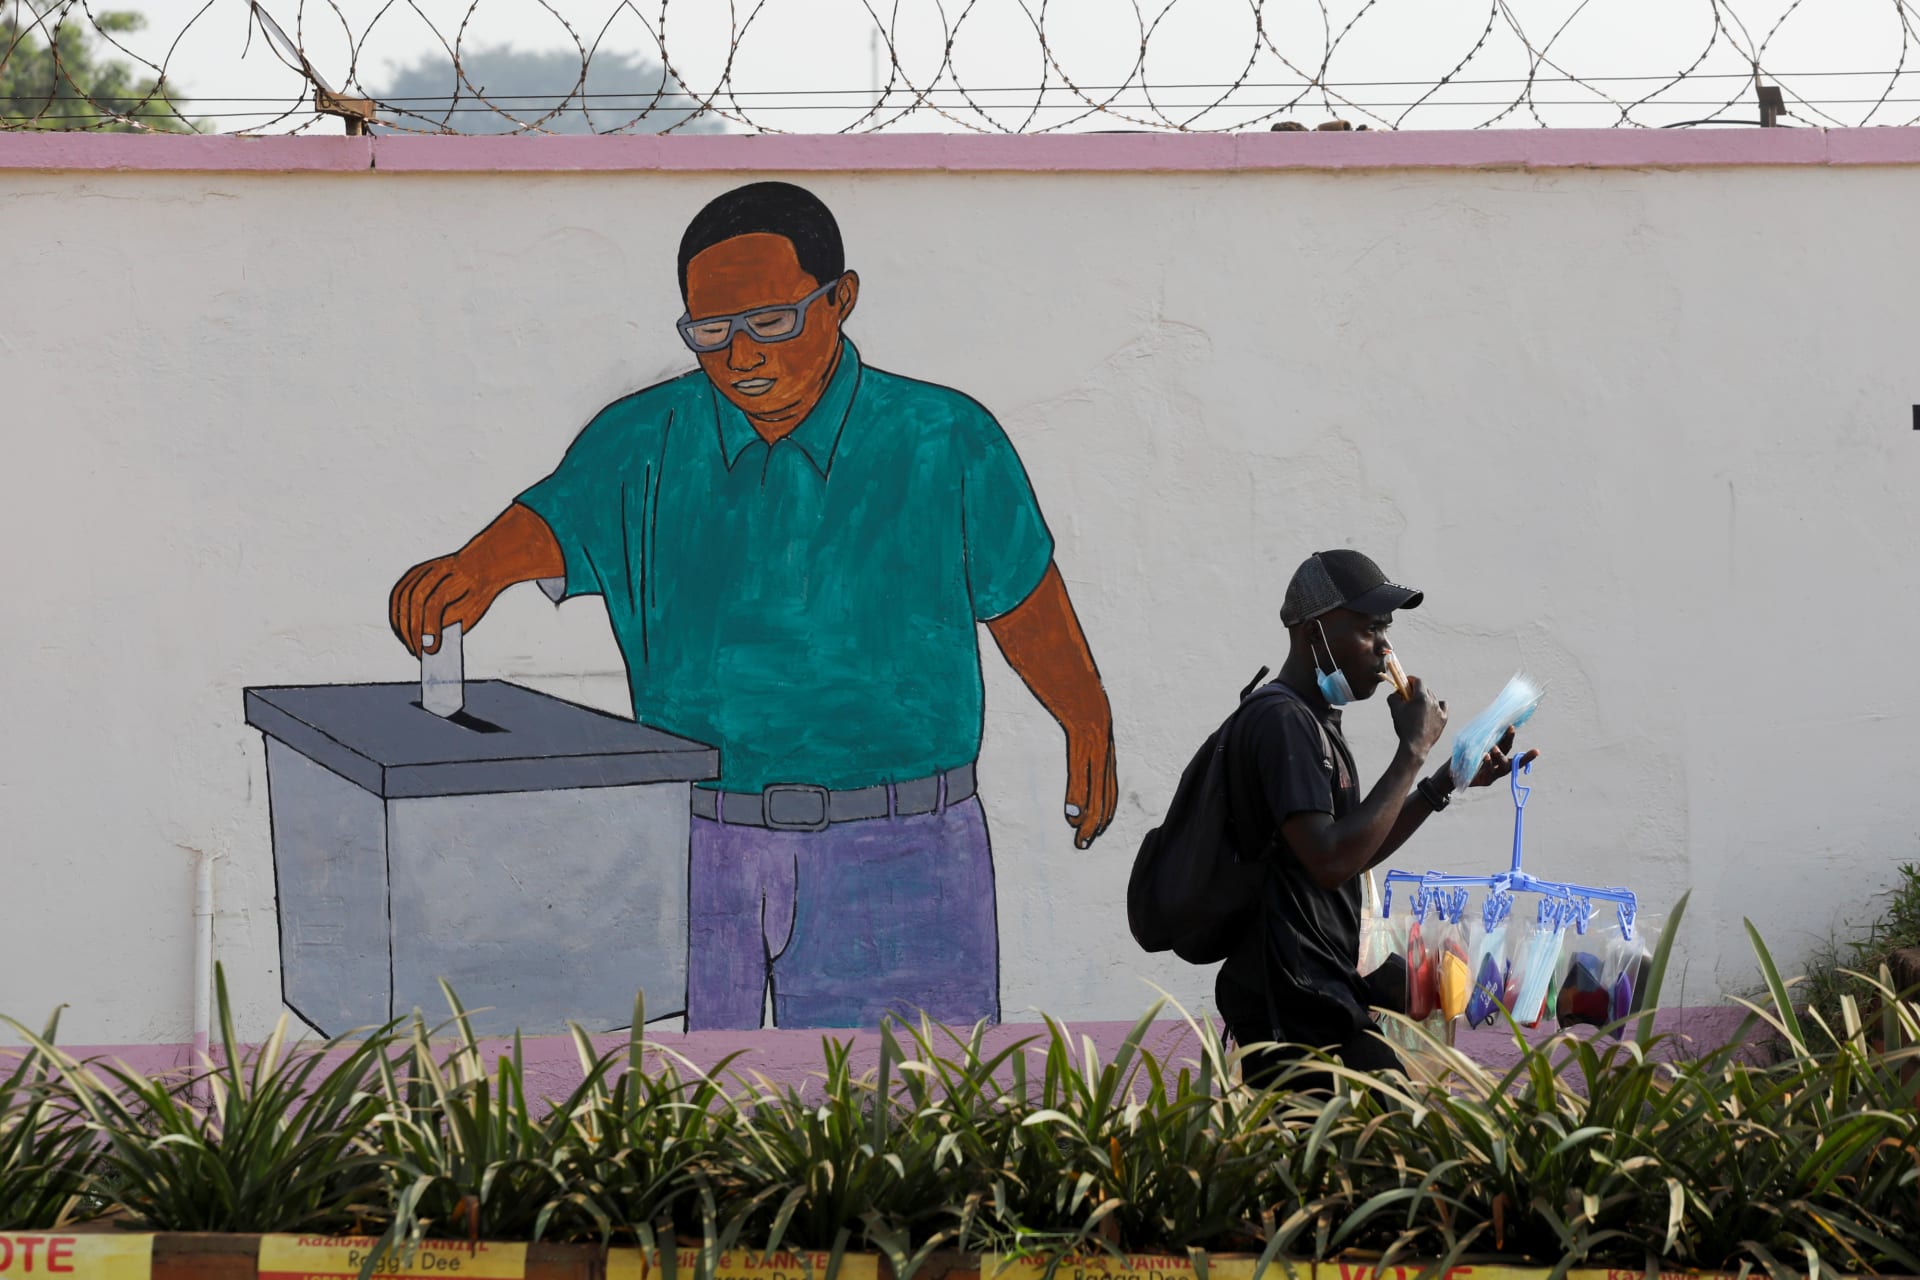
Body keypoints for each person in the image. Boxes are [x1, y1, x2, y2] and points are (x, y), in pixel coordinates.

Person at [388, 181, 1117, 1031]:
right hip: (698, 849)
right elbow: (550, 521)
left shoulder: (946, 438)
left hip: (906, 851)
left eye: (772, 322)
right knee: (692, 1121)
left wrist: (1086, 718)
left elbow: (1022, 597)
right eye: (711, 333)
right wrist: (473, 568)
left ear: (840, 298)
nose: (741, 357)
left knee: (912, 1119)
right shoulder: (641, 440)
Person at [1215, 549, 1536, 1089]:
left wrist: (1443, 783)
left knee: (1389, 1134)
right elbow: (1330, 860)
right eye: (1368, 629)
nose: (1386, 648)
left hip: (1319, 991)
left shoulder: (1313, 722)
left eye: (1386, 628)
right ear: (1313, 632)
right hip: (1289, 1002)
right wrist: (1412, 750)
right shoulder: (1281, 722)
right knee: (1385, 1134)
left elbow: (1350, 849)